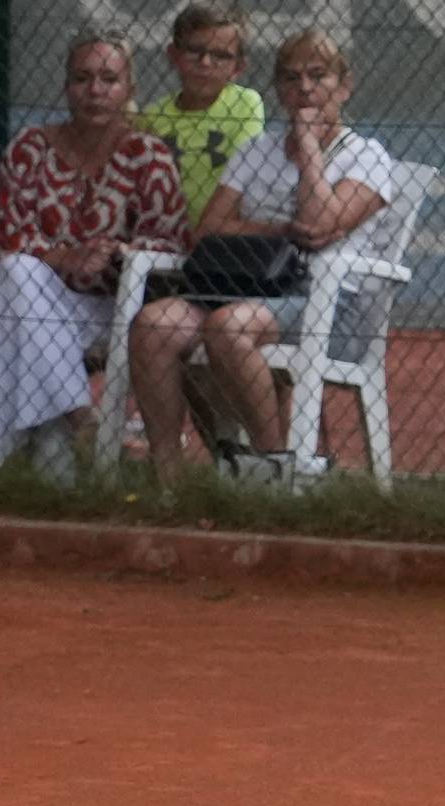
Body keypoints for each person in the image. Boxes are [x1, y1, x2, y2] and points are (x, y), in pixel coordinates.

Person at [128, 28, 400, 487]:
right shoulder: (256, 151)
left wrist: (310, 148)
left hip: (329, 306)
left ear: (344, 85)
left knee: (229, 328)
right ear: (278, 89)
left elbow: (318, 230)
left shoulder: (367, 156)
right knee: (153, 326)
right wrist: (279, 230)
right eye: (292, 79)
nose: (305, 89)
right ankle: (168, 481)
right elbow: (209, 229)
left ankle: (275, 469)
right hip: (244, 286)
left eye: (318, 76)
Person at [0, 32, 187, 474]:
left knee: (5, 328)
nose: (95, 90)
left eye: (109, 79)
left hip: (112, 305)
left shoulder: (149, 155)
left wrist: (119, 251)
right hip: (34, 295)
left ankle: (0, 470)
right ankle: (81, 417)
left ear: (130, 89)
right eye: (82, 78)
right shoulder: (29, 149)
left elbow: (170, 241)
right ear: (66, 86)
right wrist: (63, 258)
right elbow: (10, 234)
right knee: (17, 274)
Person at [134, 3, 266, 228]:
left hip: (224, 235)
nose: (205, 63)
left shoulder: (245, 103)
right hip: (166, 231)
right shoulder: (153, 116)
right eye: (194, 51)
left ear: (238, 67)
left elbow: (242, 178)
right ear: (173, 55)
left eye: (220, 56)